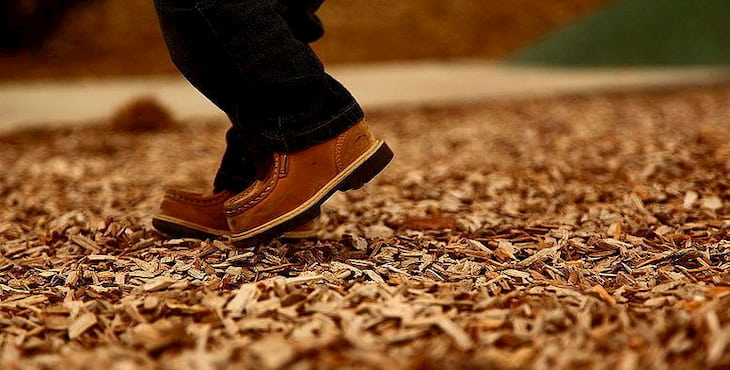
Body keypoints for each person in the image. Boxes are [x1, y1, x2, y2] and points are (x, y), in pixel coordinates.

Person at [150, 0, 393, 246]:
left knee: (194, 6)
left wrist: (312, 126)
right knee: (274, 7)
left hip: (313, 131)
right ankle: (264, 173)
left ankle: (313, 131)